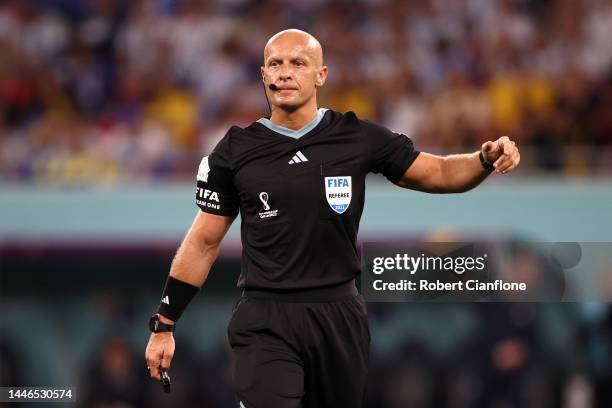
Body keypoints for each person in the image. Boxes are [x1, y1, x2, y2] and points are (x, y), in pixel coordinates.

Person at [145, 29, 520, 408]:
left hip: (338, 317)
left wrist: (484, 159)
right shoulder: (235, 150)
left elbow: (439, 173)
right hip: (265, 318)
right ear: (263, 75)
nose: (284, 72)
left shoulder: (354, 136)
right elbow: (203, 242)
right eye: (275, 63)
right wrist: (164, 324)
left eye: (298, 63)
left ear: (320, 75)